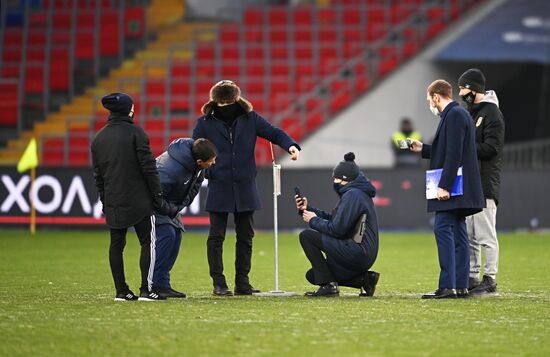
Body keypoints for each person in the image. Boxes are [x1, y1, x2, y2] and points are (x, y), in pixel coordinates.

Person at [192, 80, 301, 296]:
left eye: (227, 101)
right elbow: (194, 148)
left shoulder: (250, 118)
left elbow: (274, 132)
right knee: (216, 237)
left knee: (246, 237)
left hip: (245, 185)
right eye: (221, 102)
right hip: (219, 184)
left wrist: (291, 145)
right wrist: (207, 171)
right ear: (216, 101)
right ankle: (219, 283)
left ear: (234, 99)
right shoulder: (204, 122)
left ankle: (242, 282)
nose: (225, 106)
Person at [91, 92, 180, 302]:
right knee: (148, 242)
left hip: (114, 200)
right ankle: (146, 290)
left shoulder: (98, 139)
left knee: (116, 244)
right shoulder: (136, 133)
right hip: (140, 201)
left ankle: (121, 291)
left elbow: (99, 176)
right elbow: (149, 169)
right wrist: (157, 197)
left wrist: (105, 201)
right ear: (129, 109)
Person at [408, 80, 485, 299]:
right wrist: (423, 149)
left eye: (429, 99)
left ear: (436, 96)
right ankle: (460, 285)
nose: (429, 104)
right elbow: (447, 150)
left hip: (453, 187)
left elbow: (454, 155)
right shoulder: (456, 115)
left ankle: (447, 286)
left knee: (442, 228)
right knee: (459, 233)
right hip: (459, 187)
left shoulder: (454, 116)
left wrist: (444, 186)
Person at [295, 152, 380, 297]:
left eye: (336, 178)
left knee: (307, 236)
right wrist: (308, 210)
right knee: (313, 275)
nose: (334, 181)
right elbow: (336, 221)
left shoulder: (353, 195)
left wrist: (313, 220)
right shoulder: (357, 193)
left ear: (345, 179)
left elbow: (337, 229)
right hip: (361, 251)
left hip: (357, 251)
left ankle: (329, 286)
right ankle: (364, 280)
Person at [458, 68, 505, 296]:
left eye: (463, 87)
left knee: (486, 235)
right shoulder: (474, 112)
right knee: (470, 236)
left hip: (485, 183)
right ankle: (473, 276)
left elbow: (492, 148)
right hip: (472, 183)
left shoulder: (492, 114)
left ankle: (490, 278)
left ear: (474, 89)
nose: (460, 92)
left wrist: (466, 149)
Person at [152, 138, 217, 298]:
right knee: (167, 235)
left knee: (176, 237)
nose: (214, 163)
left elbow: (195, 185)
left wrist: (179, 206)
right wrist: (170, 209)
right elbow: (153, 194)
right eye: (211, 161)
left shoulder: (197, 166)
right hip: (152, 204)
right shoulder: (169, 170)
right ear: (200, 161)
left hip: (171, 205)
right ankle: (153, 284)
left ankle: (162, 284)